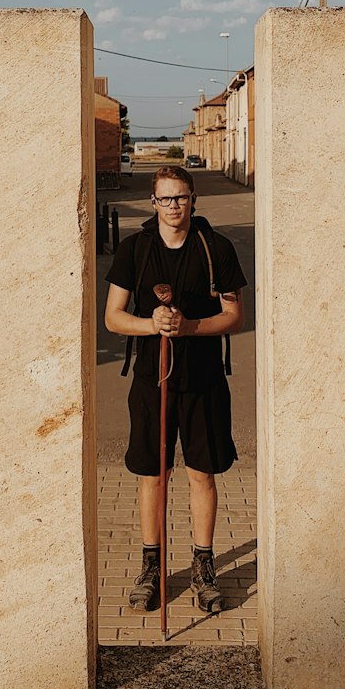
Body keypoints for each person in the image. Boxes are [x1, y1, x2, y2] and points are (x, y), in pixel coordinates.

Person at [104, 165, 246, 615]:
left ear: (193, 200)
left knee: (202, 473)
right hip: (152, 381)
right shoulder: (135, 249)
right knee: (154, 474)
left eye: (180, 198)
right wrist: (152, 324)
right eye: (165, 199)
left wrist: (189, 327)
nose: (173, 207)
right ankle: (151, 565)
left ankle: (204, 567)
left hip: (203, 381)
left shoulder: (215, 249)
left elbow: (233, 316)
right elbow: (113, 317)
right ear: (154, 202)